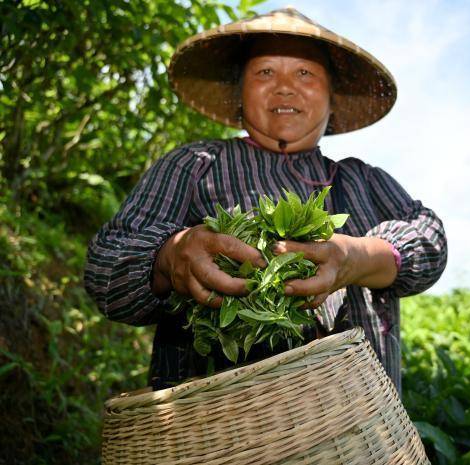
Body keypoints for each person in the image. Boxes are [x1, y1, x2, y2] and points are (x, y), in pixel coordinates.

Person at [84, 8, 447, 394]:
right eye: (265, 73)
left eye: (305, 73)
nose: (285, 87)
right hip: (222, 428)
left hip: (365, 429)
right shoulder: (194, 166)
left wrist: (357, 257)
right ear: (239, 94)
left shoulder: (362, 179)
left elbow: (430, 240)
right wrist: (170, 258)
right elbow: (105, 269)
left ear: (332, 99)